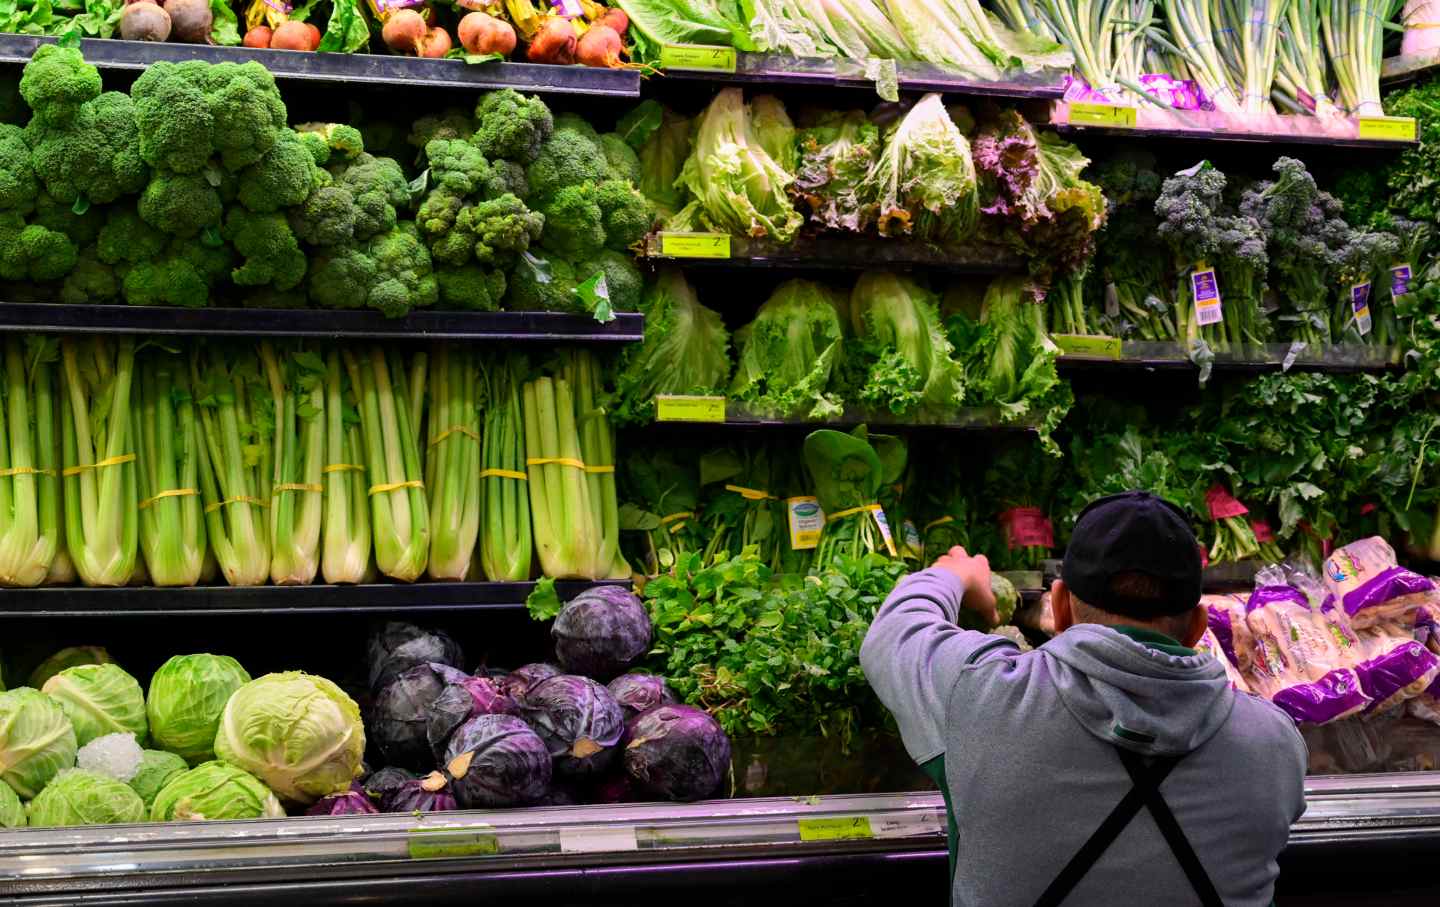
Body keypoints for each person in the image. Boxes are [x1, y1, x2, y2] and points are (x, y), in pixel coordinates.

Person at [861, 490, 1307, 907]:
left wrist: (953, 573)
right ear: (1197, 627)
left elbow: (894, 632)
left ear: (1060, 607)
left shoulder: (980, 695)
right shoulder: (1275, 744)